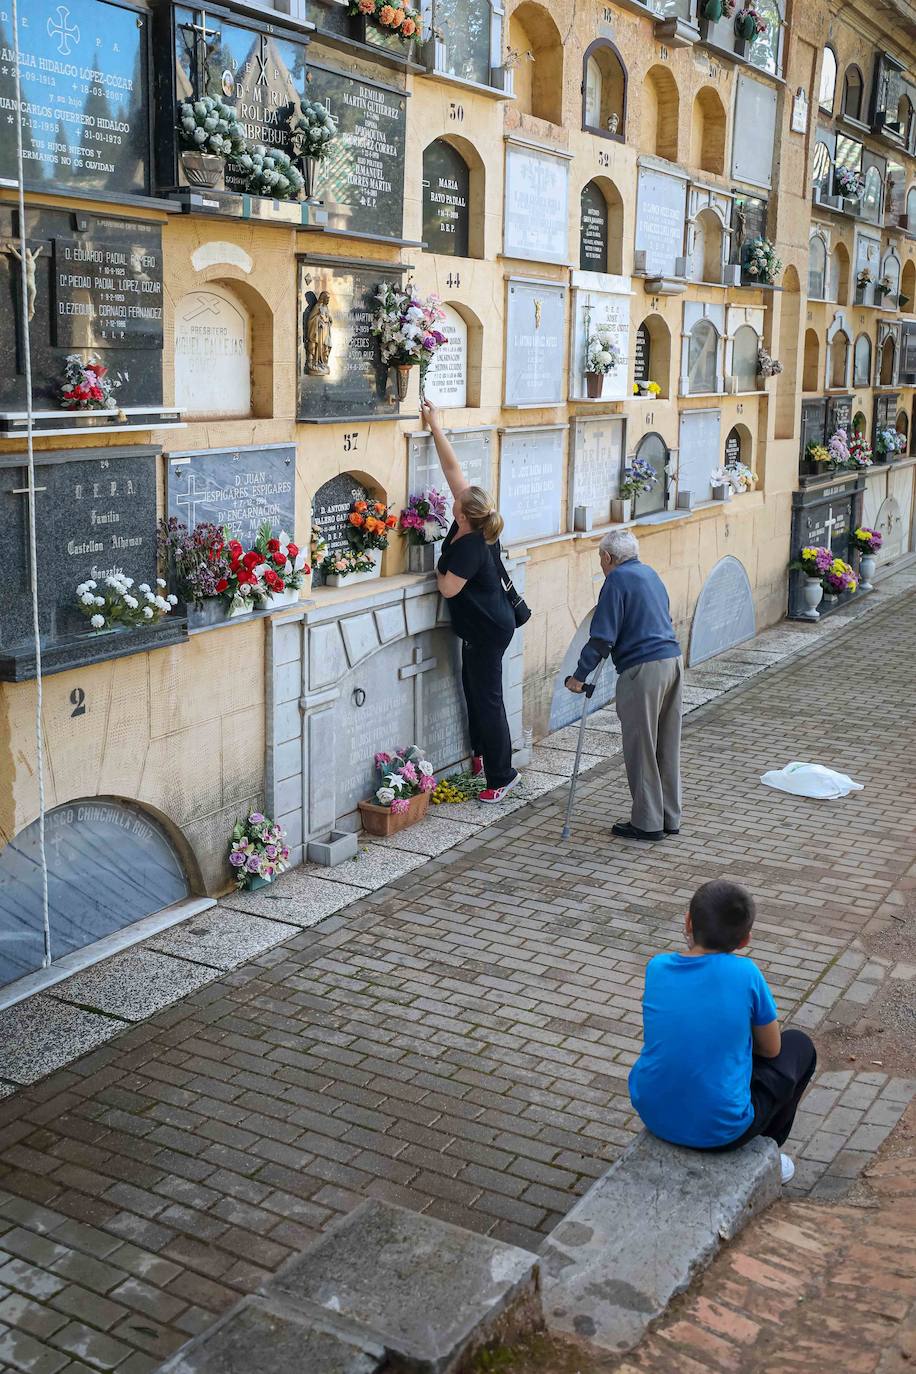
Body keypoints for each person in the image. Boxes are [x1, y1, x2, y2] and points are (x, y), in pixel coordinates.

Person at [628, 879, 817, 1184]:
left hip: (653, 1112)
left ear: (688, 922)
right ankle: (767, 1152)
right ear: (745, 940)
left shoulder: (657, 967)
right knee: (800, 1046)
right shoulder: (746, 973)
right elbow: (771, 1049)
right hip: (722, 1133)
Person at [422, 399, 520, 804]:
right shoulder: (474, 520)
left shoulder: (470, 548)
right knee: (474, 689)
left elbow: (447, 589)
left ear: (463, 516)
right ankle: (480, 755)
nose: (453, 500)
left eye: (456, 504)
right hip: (485, 625)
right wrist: (436, 426)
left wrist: (434, 567)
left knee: (488, 698)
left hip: (489, 630)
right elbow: (453, 470)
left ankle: (502, 774)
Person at [565, 528, 682, 842]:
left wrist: (578, 677)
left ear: (607, 557)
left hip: (642, 669)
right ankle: (669, 816)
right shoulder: (649, 573)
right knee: (666, 743)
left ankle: (647, 823)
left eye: (600, 560)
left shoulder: (615, 580)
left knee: (641, 744)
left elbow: (602, 637)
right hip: (672, 661)